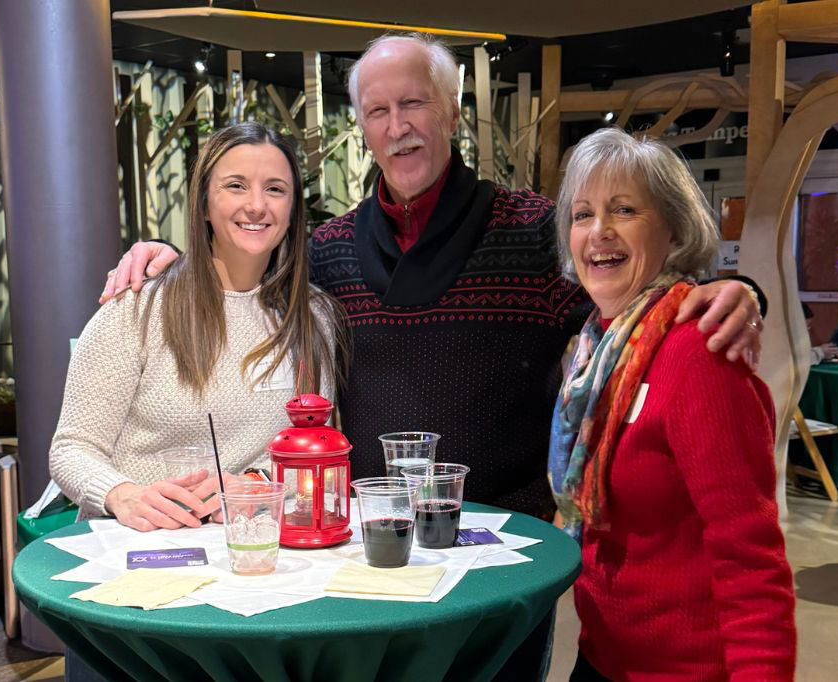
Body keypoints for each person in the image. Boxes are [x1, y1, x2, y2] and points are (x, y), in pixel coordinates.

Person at [99, 34, 764, 522]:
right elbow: (240, 265)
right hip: (367, 537)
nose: (398, 127)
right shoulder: (326, 252)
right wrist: (165, 254)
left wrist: (738, 291)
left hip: (504, 540)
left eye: (413, 104)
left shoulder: (538, 233)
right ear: (362, 130)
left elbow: (638, 297)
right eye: (378, 112)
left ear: (450, 111)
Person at [548, 127, 795, 681]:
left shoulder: (699, 353)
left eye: (624, 209)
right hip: (602, 656)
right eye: (583, 214)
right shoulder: (595, 351)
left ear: (674, 229)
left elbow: (751, 558)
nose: (599, 232)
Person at [51, 123, 343, 532]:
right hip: (145, 548)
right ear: (204, 203)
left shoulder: (313, 318)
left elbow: (317, 450)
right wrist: (123, 494)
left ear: (293, 210)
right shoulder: (137, 309)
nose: (257, 205)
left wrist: (258, 484)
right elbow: (72, 448)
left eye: (275, 189)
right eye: (236, 186)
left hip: (257, 545)